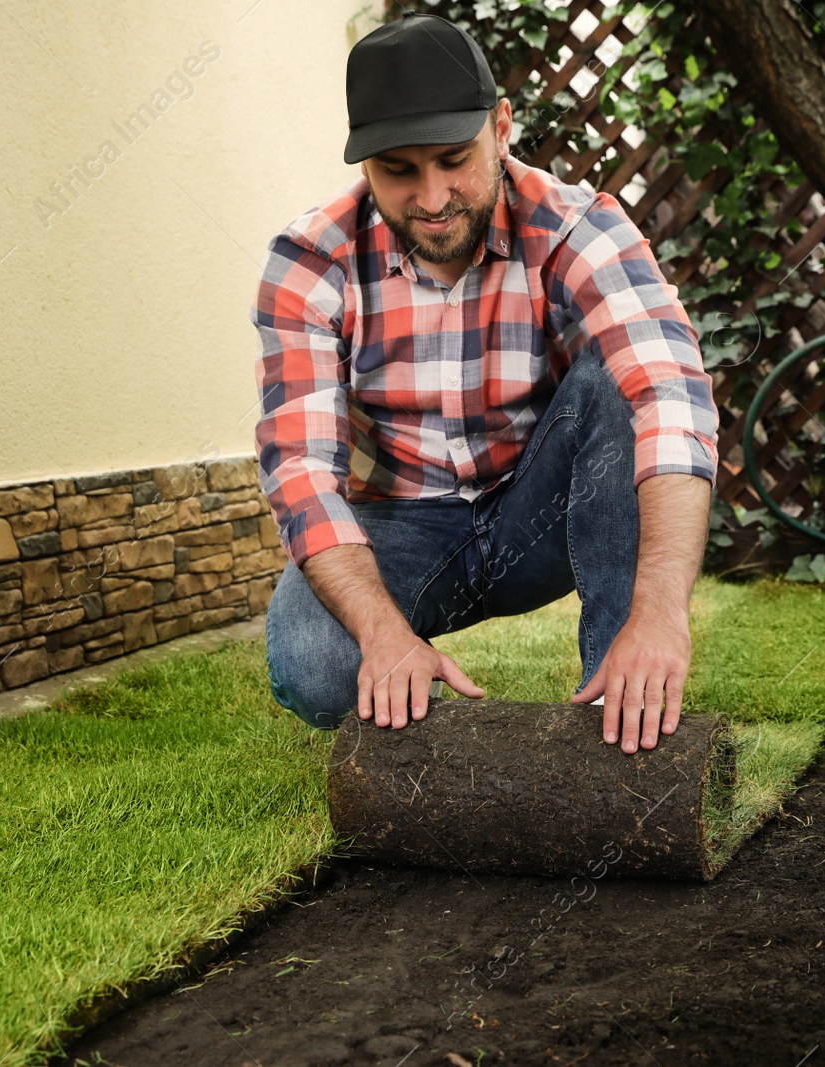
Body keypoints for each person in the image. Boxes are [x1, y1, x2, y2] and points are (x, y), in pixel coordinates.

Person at [251, 12, 719, 755]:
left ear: (501, 129)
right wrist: (381, 631)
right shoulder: (312, 261)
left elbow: (672, 395)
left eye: (453, 159)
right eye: (398, 170)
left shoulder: (578, 228)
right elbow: (303, 472)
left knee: (619, 381)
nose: (433, 198)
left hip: (537, 513)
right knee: (313, 665)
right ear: (363, 164)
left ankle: (624, 695)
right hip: (401, 529)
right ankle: (411, 684)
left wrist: (660, 613)